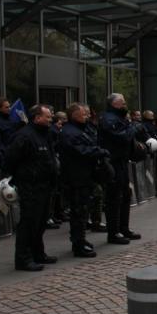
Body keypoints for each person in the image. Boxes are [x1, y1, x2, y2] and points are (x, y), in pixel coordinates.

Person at [3, 104, 60, 271]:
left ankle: (38, 253)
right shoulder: (24, 136)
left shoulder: (45, 134)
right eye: (48, 117)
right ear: (37, 118)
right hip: (30, 185)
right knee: (29, 222)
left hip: (45, 185)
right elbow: (10, 159)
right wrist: (22, 177)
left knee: (41, 222)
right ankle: (23, 258)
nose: (51, 120)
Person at [59, 103, 111, 258]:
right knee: (79, 211)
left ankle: (81, 240)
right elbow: (80, 151)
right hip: (76, 178)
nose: (87, 116)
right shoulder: (70, 133)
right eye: (84, 114)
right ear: (74, 115)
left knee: (83, 211)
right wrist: (99, 152)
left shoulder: (81, 130)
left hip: (84, 176)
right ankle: (78, 244)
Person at [98, 93, 140, 245]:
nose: (125, 105)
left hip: (121, 161)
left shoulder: (120, 118)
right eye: (122, 103)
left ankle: (123, 228)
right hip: (113, 161)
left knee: (125, 194)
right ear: (114, 104)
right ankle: (114, 232)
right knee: (114, 198)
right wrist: (132, 128)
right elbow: (122, 137)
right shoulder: (108, 119)